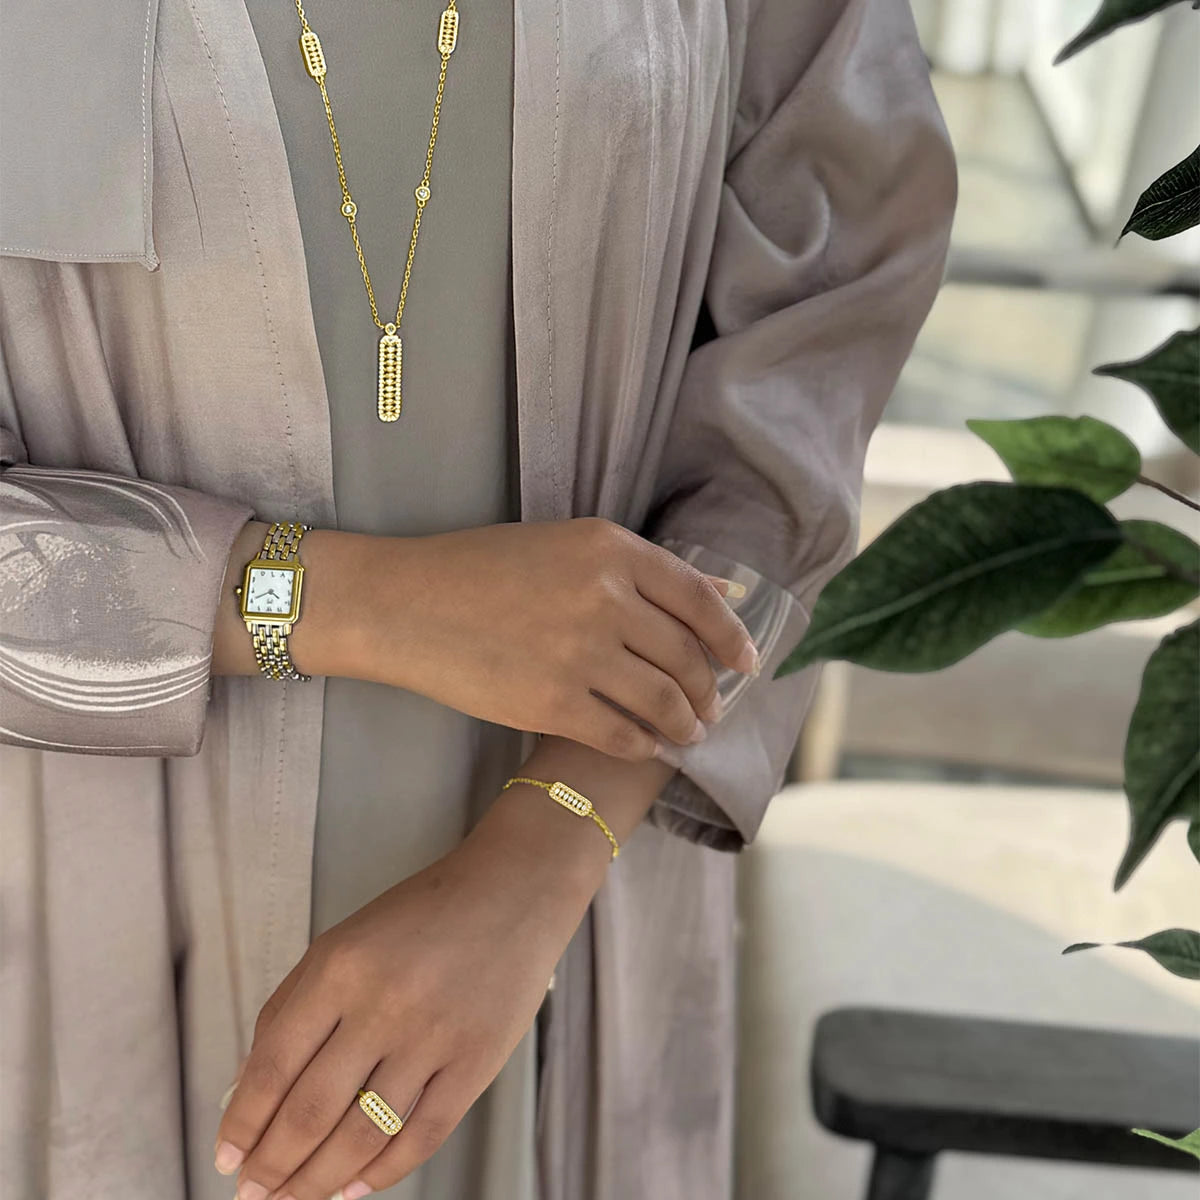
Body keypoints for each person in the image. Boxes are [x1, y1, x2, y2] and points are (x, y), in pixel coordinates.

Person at [0, 0, 956, 1197]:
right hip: (74, 916)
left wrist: (551, 843)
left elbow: (825, 334)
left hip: (573, 907)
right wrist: (367, 603)